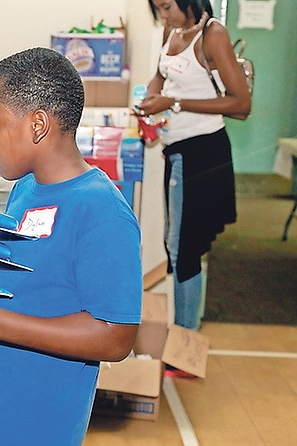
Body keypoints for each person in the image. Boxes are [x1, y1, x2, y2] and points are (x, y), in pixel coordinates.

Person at [0, 47, 143, 446]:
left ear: (37, 125)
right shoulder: (25, 188)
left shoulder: (102, 211)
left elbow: (116, 335)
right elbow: (25, 286)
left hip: (29, 429)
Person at [138, 0, 251, 330]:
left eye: (167, 6)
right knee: (177, 245)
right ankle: (185, 336)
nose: (163, 15)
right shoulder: (171, 30)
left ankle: (185, 341)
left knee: (184, 249)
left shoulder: (212, 34)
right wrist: (149, 100)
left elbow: (241, 103)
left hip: (203, 153)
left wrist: (173, 102)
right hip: (177, 152)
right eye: (157, 8)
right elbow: (161, 75)